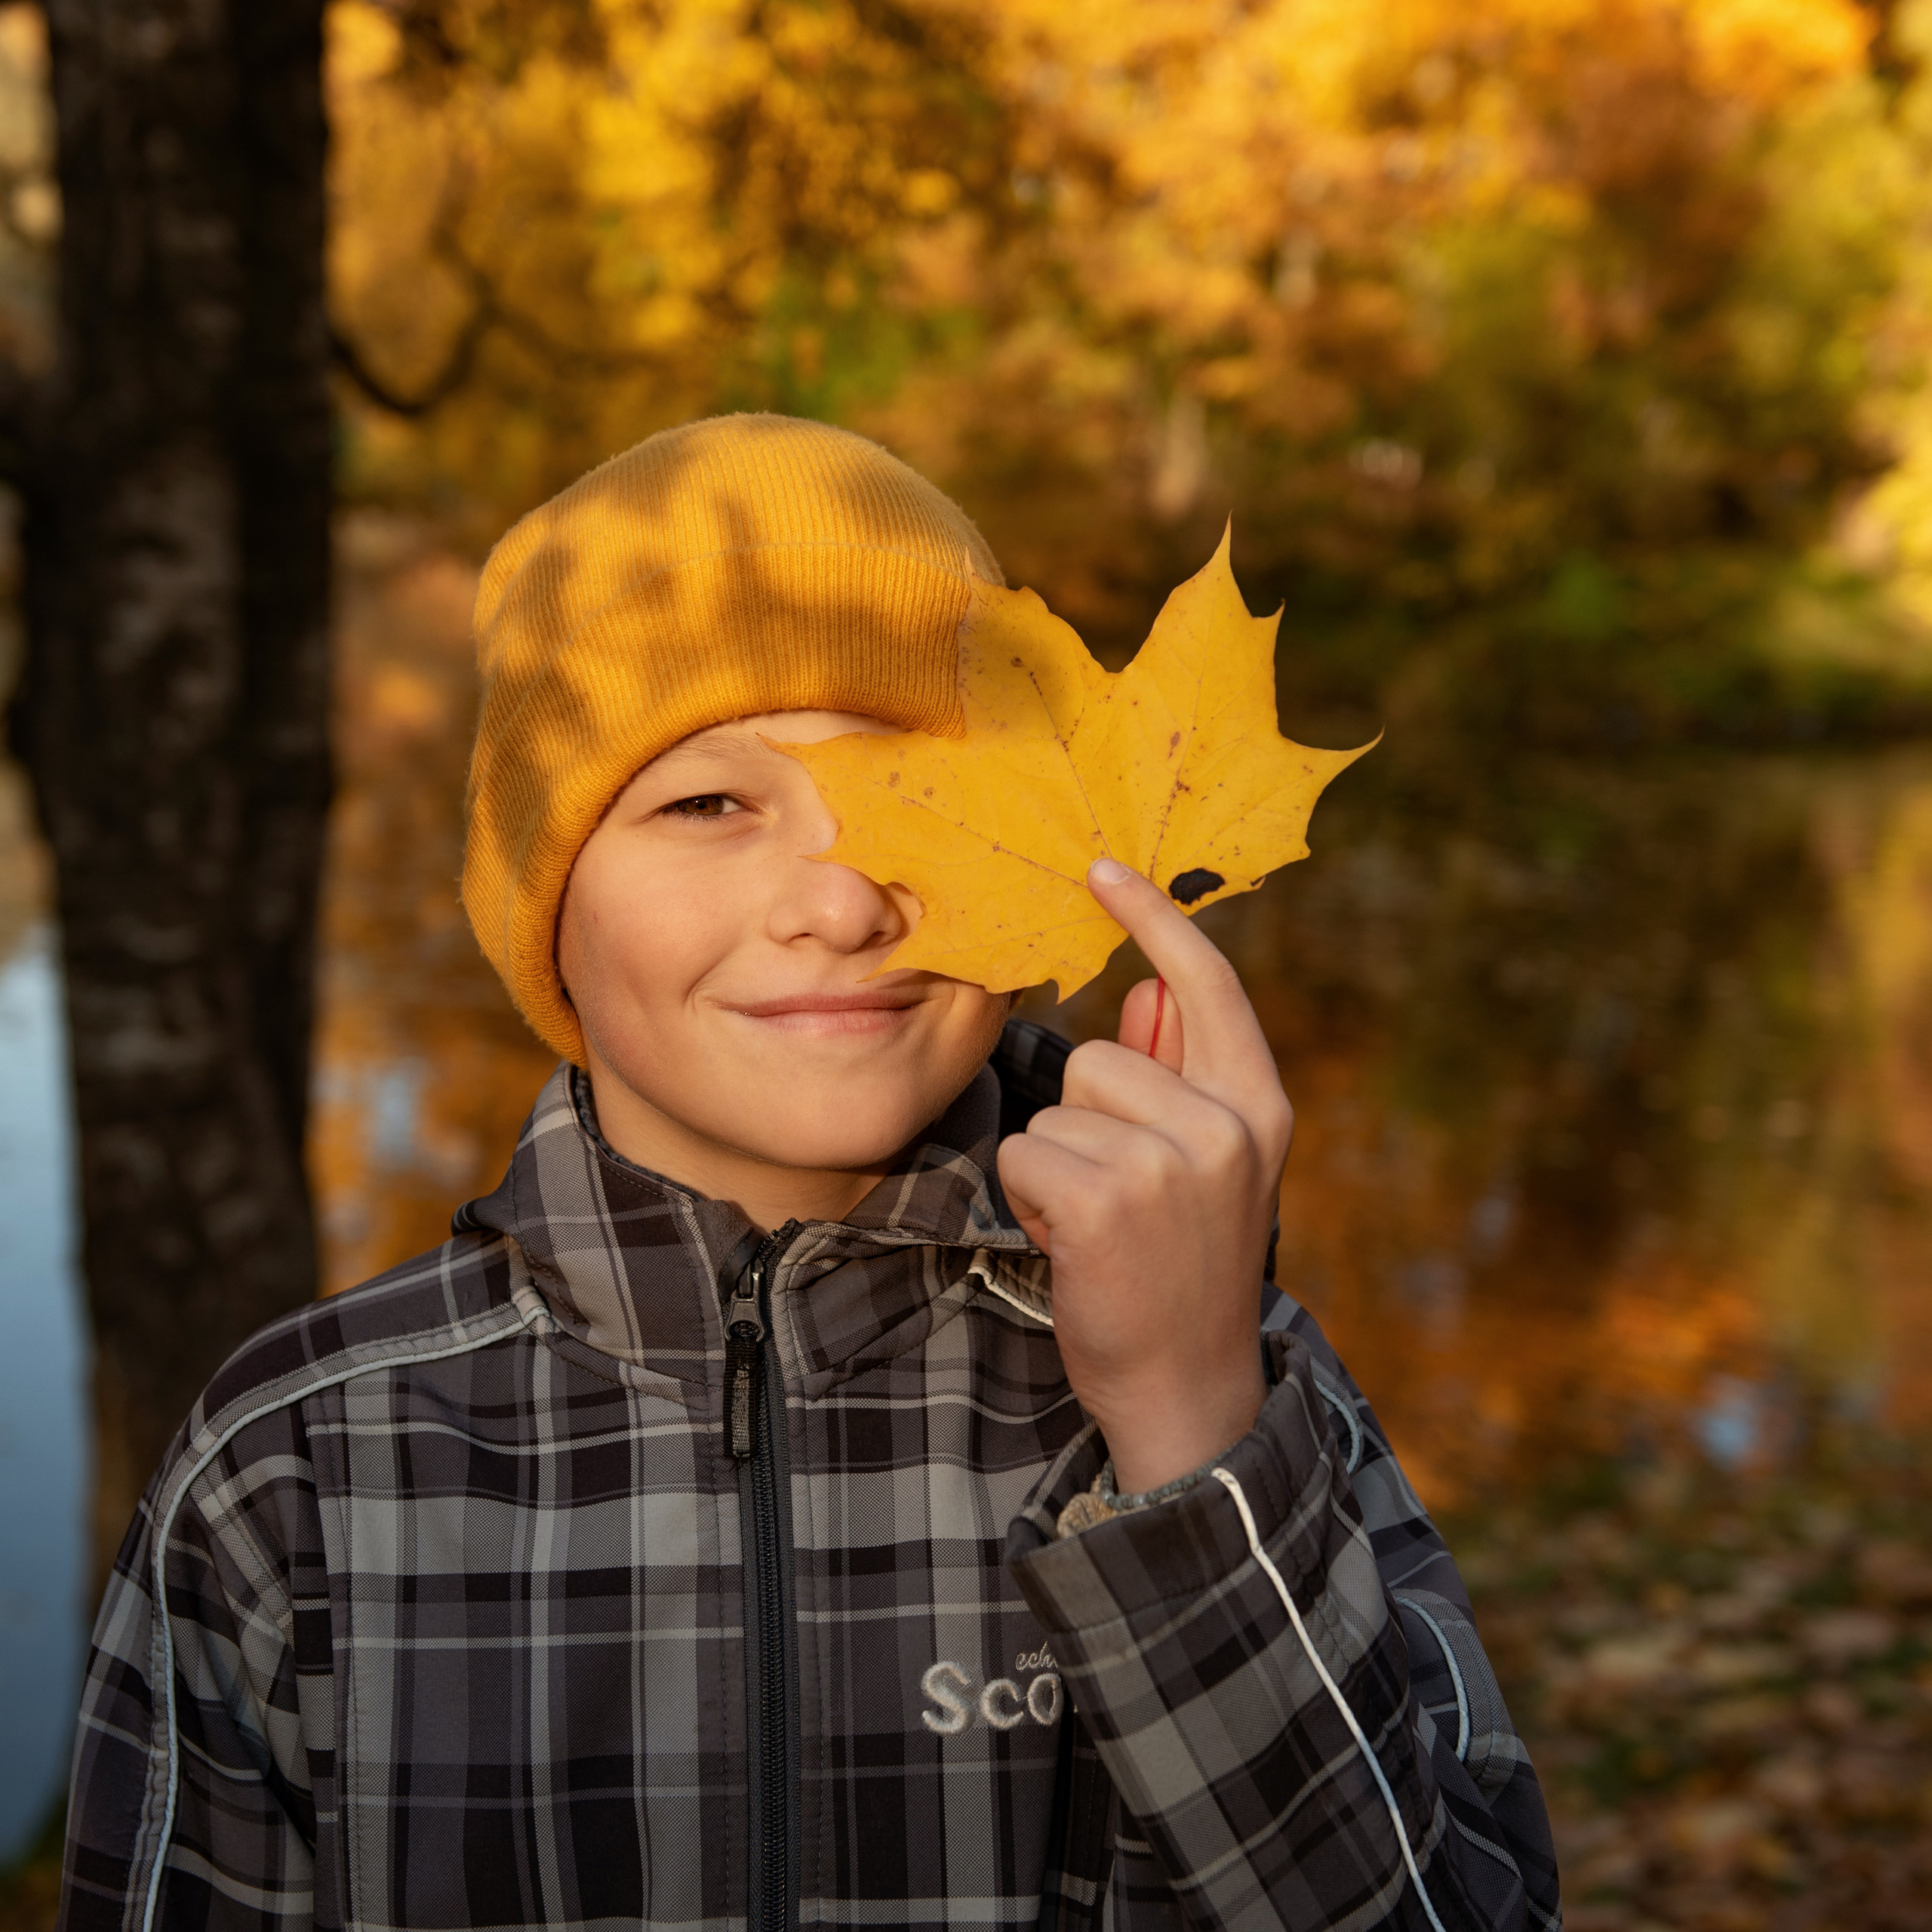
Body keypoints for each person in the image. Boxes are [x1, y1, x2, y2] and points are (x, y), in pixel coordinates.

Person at [58, 414, 1559, 1932]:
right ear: (543, 898)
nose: (841, 902)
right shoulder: (295, 1470)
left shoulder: (1232, 1382)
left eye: (919, 788)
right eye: (708, 804)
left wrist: (1187, 1443)